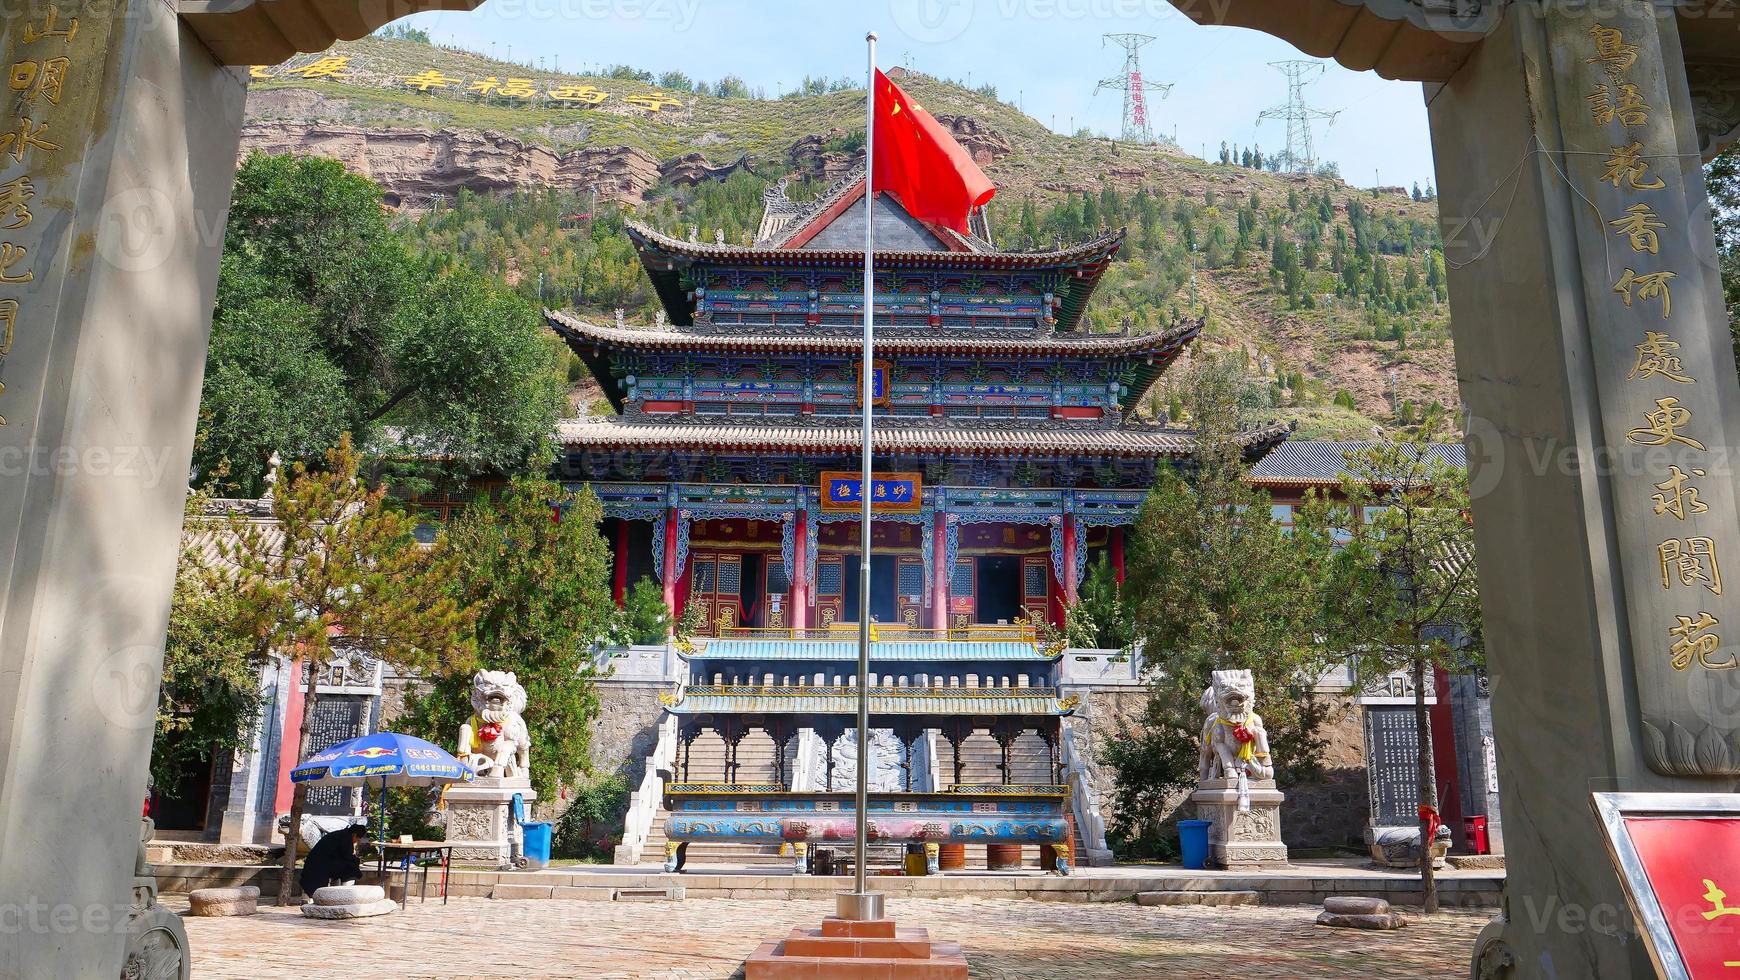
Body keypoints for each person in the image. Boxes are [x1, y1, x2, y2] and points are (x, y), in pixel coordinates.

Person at [299, 824, 367, 898]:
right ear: (354, 835)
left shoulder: (340, 835)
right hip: (319, 868)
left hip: (319, 865)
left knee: (349, 865)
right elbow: (347, 857)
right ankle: (346, 895)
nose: (356, 842)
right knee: (352, 868)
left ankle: (337, 892)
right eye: (357, 839)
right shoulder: (345, 838)